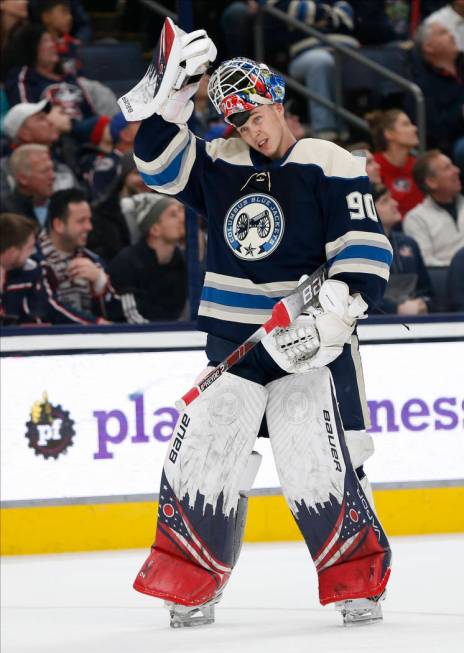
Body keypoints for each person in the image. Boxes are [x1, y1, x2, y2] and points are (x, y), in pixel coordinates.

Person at [120, 20, 393, 629]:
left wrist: (337, 314)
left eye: (257, 115)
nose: (252, 129)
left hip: (311, 342)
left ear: (278, 102)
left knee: (325, 460)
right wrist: (174, 99)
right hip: (233, 345)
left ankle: (357, 583)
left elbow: (365, 247)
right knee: (209, 458)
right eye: (239, 122)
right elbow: (157, 166)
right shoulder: (219, 162)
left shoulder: (331, 161)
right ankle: (193, 584)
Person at [34, 188, 120, 324]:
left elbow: (118, 316)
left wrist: (101, 283)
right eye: (81, 221)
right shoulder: (33, 260)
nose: (89, 227)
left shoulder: (93, 261)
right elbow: (48, 310)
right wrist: (94, 324)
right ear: (58, 225)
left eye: (89, 220)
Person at [108, 195, 187, 323]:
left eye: (181, 212)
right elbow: (131, 316)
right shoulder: (126, 263)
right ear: (155, 229)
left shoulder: (181, 260)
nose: (183, 219)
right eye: (173, 215)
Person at [372, 183, 433, 314]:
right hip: (374, 326)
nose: (395, 203)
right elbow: (360, 297)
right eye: (385, 201)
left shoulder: (409, 243)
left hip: (416, 320)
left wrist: (425, 304)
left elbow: (427, 291)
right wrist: (396, 309)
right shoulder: (358, 249)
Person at [412, 21, 464, 168]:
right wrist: (460, 113)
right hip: (454, 142)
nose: (451, 35)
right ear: (428, 47)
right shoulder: (423, 84)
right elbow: (433, 128)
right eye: (443, 33)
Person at [404, 149, 464, 266]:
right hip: (447, 281)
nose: (457, 170)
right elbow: (427, 263)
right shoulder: (416, 219)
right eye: (447, 168)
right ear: (431, 182)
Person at [366, 109, 424, 218]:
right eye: (406, 124)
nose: (415, 128)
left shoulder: (418, 166)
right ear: (389, 134)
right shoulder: (374, 166)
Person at [0, 212, 46, 324]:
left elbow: (36, 315)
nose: (33, 254)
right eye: (30, 248)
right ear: (12, 252)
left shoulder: (30, 271)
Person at [2, 144, 54, 225]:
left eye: (52, 169)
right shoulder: (6, 212)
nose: (53, 176)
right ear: (23, 179)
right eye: (44, 171)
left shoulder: (61, 205)